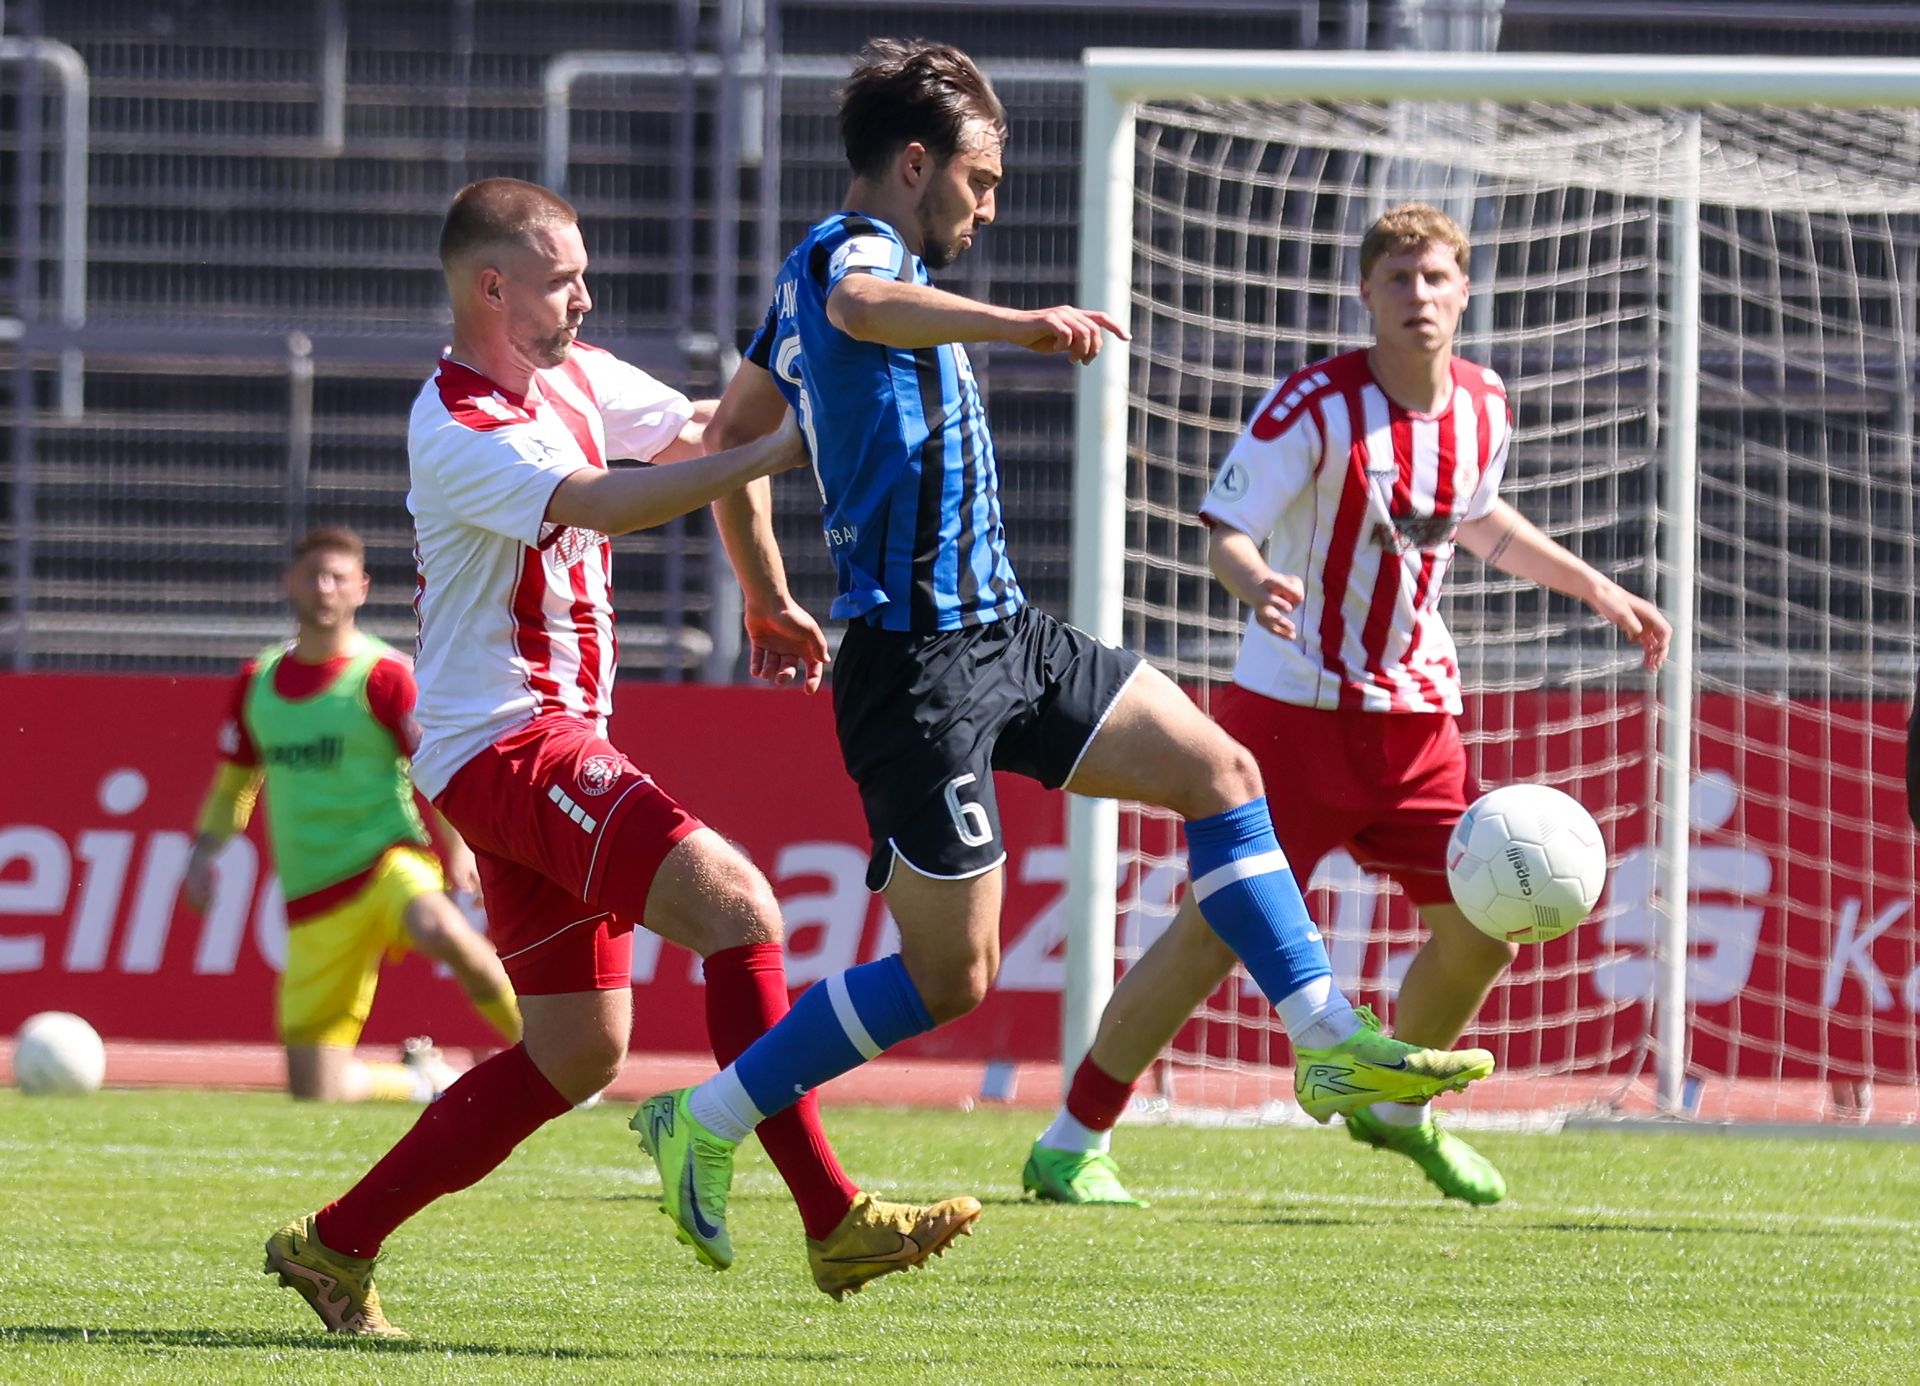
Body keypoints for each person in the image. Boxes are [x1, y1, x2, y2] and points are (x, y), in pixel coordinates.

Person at [628, 40, 1498, 1269]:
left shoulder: (817, 288)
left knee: (1221, 773)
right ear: (915, 163)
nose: (988, 206)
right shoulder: (846, 254)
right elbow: (859, 312)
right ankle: (703, 1116)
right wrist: (1022, 327)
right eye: (979, 180)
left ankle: (1324, 1039)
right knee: (952, 977)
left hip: (1008, 632)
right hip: (917, 668)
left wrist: (767, 599)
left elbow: (734, 440)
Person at [261, 178, 979, 1339]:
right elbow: (605, 503)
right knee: (740, 911)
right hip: (510, 745)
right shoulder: (457, 421)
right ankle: (831, 1217)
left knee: (575, 1052)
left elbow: (706, 434)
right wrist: (790, 443)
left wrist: (770, 552)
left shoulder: (576, 376)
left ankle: (334, 1243)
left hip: (527, 746)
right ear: (493, 288)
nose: (586, 299)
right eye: (563, 281)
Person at [1023, 202, 1673, 1208]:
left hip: (1418, 724)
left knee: (1484, 931)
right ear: (1367, 293)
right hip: (1291, 721)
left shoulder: (1485, 403)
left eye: (1435, 277)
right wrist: (1256, 583)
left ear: (1465, 291)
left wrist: (1595, 588)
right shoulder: (1313, 406)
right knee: (1210, 932)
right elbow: (1227, 528)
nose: (1419, 295)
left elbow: (1478, 519)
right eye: (1398, 279)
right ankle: (1072, 1141)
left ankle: (1395, 1110)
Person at [182, 524, 521, 1104]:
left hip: (387, 862)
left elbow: (436, 766)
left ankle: (556, 1061)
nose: (325, 588)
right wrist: (202, 854)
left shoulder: (385, 675)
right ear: (290, 582)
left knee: (446, 933)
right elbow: (233, 786)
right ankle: (423, 1080)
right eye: (313, 576)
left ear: (361, 588)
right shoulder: (258, 682)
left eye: (338, 578)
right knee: (317, 1091)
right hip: (312, 895)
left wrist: (459, 846)